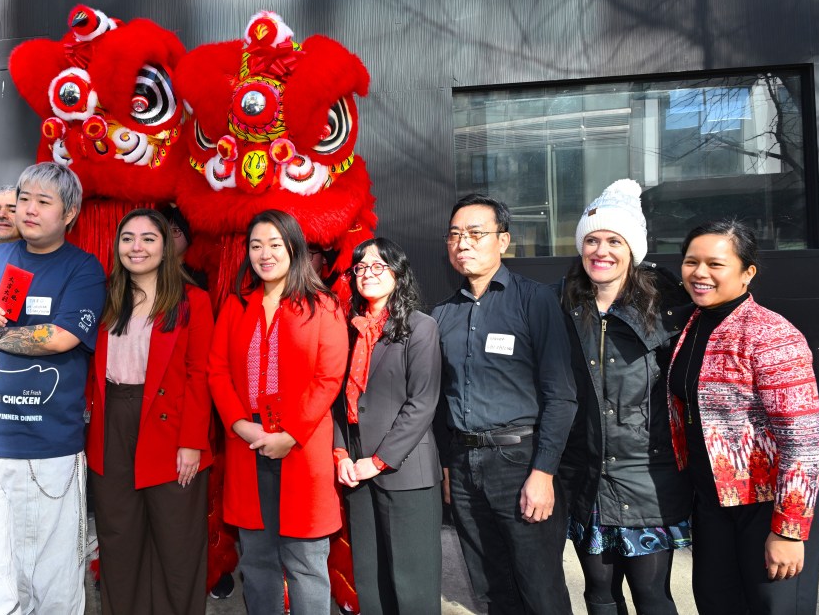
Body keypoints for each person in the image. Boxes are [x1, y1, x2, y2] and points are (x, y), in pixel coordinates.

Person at [0, 162, 106, 614]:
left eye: (42, 202)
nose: (28, 210)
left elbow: (60, 338)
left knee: (49, 580)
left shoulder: (83, 269)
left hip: (45, 450)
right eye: (24, 199)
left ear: (69, 213)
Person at [668, 219, 819, 614]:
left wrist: (788, 530)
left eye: (715, 264)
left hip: (767, 505)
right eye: (691, 262)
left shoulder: (771, 335)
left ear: (747, 272)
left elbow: (804, 441)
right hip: (713, 503)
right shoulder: (688, 325)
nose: (700, 273)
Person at [432, 193, 577, 614]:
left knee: (540, 586)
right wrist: (447, 466)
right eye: (455, 235)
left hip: (520, 462)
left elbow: (561, 395)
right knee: (488, 585)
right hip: (463, 466)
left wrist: (544, 472)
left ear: (503, 241)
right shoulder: (443, 314)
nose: (464, 243)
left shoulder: (535, 301)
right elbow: (441, 397)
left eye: (476, 233)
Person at [558, 180, 692, 615]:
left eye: (615, 240)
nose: (602, 250)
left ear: (632, 248)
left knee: (652, 595)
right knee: (598, 593)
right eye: (592, 240)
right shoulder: (562, 307)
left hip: (646, 477)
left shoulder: (668, 309)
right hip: (587, 479)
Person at [208, 209, 347, 615]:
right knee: (257, 561)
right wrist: (239, 425)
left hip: (301, 448)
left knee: (306, 563)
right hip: (246, 444)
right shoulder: (236, 305)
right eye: (255, 245)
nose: (264, 254)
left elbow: (328, 378)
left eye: (274, 244)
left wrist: (290, 434)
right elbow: (217, 370)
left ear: (294, 247)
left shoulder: (323, 305)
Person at [85, 208, 214, 614]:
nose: (136, 247)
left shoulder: (193, 301)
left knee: (177, 544)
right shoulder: (104, 297)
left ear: (166, 245)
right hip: (111, 426)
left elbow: (200, 374)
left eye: (148, 238)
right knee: (119, 539)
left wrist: (192, 442)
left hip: (171, 429)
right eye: (127, 238)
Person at [333, 237, 443, 615]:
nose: (368, 274)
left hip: (404, 469)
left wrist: (377, 460)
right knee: (370, 577)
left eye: (379, 266)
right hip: (355, 470)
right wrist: (342, 453)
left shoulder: (420, 327)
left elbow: (422, 403)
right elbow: (335, 399)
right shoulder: (346, 329)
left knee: (412, 585)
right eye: (361, 267)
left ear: (398, 273)